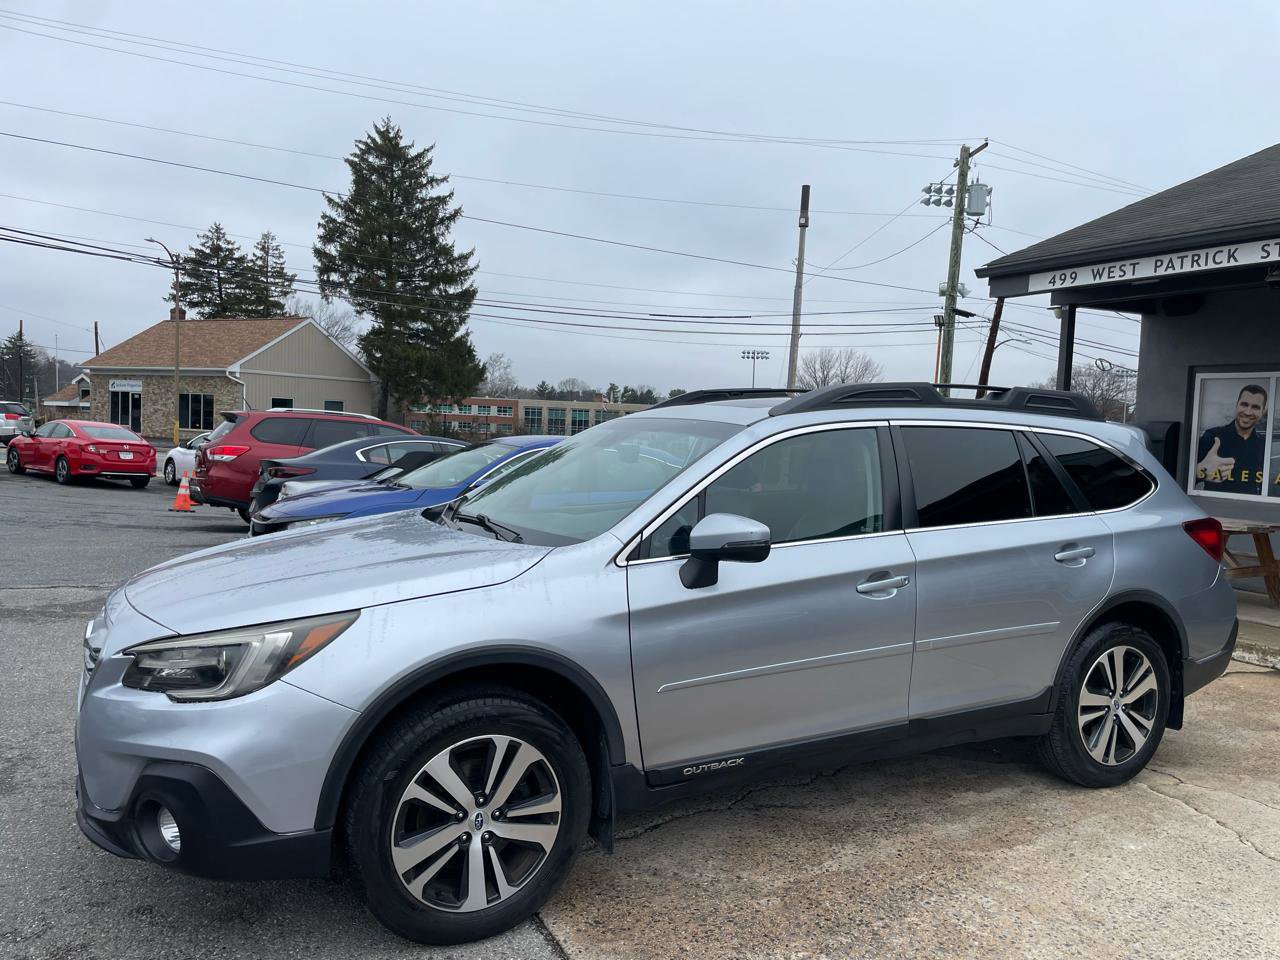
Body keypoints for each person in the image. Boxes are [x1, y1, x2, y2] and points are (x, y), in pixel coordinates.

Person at [1195, 383, 1268, 495]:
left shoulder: (1263, 444)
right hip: (1215, 507)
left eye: (1255, 407)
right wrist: (1199, 471)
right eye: (1244, 404)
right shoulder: (1212, 436)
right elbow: (1181, 479)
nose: (1248, 412)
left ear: (1262, 412)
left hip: (1252, 509)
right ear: (1237, 405)